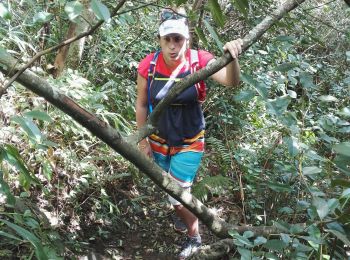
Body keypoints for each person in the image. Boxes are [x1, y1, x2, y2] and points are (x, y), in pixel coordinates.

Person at [135, 6, 242, 259]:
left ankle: (194, 237)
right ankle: (184, 212)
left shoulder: (199, 60)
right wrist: (142, 141)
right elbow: (141, 104)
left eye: (178, 39)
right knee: (172, 192)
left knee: (177, 195)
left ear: (187, 39)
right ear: (159, 40)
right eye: (167, 39)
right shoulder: (148, 65)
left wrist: (232, 57)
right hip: (159, 140)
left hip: (190, 141)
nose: (173, 46)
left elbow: (231, 81)